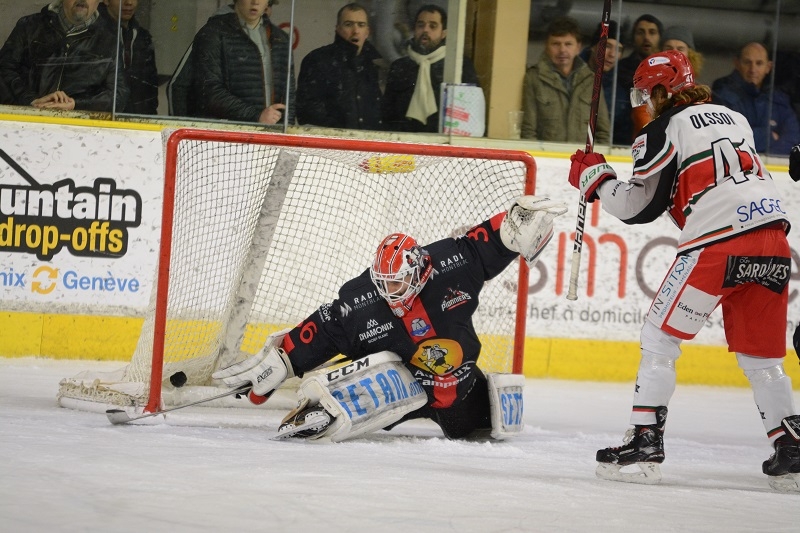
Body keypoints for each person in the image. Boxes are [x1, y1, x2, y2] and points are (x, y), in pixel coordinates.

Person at [567, 50, 799, 492]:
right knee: (763, 358)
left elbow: (639, 207)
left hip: (719, 241)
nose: (644, 104)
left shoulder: (661, 129)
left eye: (645, 94)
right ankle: (791, 445)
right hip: (773, 241)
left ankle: (644, 438)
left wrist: (596, 180)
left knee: (660, 337)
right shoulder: (735, 117)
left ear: (661, 90)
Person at [211, 196, 568, 442]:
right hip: (401, 386)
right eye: (383, 282)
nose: (390, 291)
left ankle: (468, 404)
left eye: (396, 282)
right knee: (382, 375)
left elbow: (486, 242)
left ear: (418, 268)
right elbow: (326, 328)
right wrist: (283, 359)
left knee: (472, 429)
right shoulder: (362, 299)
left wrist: (513, 225)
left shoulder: (453, 263)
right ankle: (333, 406)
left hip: (456, 385)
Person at [0, 0, 128, 112]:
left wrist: (75, 104)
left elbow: (118, 94)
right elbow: (4, 69)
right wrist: (31, 101)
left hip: (77, 128)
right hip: (25, 122)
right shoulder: (29, 26)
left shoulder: (110, 41)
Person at [192, 0, 295, 124]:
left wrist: (287, 128)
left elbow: (289, 94)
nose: (255, 2)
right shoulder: (214, 33)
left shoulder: (281, 39)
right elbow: (208, 90)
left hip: (270, 130)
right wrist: (256, 116)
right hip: (226, 129)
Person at [382, 4, 479, 133]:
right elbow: (387, 115)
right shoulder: (400, 66)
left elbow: (471, 114)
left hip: (443, 141)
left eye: (433, 26)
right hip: (404, 139)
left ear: (444, 33)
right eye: (420, 25)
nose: (425, 30)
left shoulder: (458, 65)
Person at [521, 16, 610, 144]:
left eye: (568, 44)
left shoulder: (592, 81)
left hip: (583, 156)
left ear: (578, 47)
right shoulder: (534, 78)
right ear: (546, 46)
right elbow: (528, 130)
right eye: (556, 44)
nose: (562, 50)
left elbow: (603, 133)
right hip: (546, 155)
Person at [296, 3, 383, 130]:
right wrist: (339, 134)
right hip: (330, 140)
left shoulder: (371, 65)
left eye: (361, 25)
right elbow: (307, 111)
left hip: (366, 141)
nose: (355, 31)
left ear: (367, 32)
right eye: (348, 24)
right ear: (337, 28)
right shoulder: (318, 60)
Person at [712, 42, 800, 155]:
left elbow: (793, 139)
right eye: (747, 62)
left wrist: (767, 155)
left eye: (759, 63)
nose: (753, 69)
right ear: (737, 64)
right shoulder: (721, 96)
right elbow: (726, 137)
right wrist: (769, 136)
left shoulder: (779, 99)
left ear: (768, 67)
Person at [98, 0, 158, 115]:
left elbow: (150, 91)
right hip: (101, 119)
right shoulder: (93, 35)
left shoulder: (143, 38)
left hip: (136, 120)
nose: (129, 2)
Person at [613, 14, 663, 145]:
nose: (646, 37)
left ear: (660, 37)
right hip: (624, 142)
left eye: (652, 32)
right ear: (633, 37)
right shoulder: (620, 69)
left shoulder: (667, 71)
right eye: (640, 32)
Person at [579, 20, 624, 143]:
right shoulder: (572, 77)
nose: (612, 54)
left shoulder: (619, 92)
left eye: (619, 49)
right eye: (607, 46)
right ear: (593, 47)